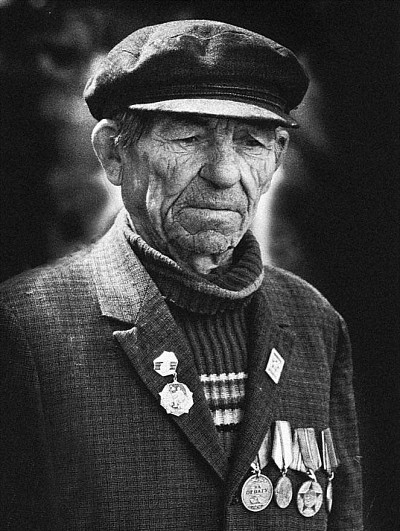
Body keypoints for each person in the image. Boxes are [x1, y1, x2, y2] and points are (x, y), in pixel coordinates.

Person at [0, 20, 363, 530]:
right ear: (113, 153)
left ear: (278, 154)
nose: (224, 172)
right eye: (189, 137)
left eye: (252, 142)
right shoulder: (24, 327)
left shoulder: (314, 321)